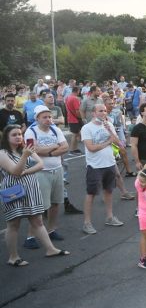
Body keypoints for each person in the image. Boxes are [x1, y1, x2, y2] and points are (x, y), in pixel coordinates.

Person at [1, 124, 70, 267]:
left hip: (31, 188)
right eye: (14, 135)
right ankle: (13, 257)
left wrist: (26, 171)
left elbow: (40, 164)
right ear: (6, 138)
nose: (19, 137)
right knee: (13, 224)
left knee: (37, 221)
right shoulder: (3, 153)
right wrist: (25, 157)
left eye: (20, 134)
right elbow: (14, 171)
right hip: (14, 190)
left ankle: (50, 249)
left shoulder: (25, 149)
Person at [23, 105, 69, 247]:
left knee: (55, 203)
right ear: (37, 118)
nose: (48, 119)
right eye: (45, 117)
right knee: (40, 206)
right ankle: (30, 236)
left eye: (49, 117)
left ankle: (51, 229)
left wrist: (47, 152)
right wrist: (54, 148)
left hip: (57, 169)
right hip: (40, 172)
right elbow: (33, 150)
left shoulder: (55, 129)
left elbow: (65, 147)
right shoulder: (31, 131)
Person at [80, 104, 124, 234]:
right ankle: (87, 223)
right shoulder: (87, 128)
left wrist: (110, 132)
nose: (103, 113)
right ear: (93, 113)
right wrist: (107, 142)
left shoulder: (109, 125)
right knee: (91, 193)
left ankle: (110, 217)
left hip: (109, 163)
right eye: (100, 111)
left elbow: (119, 144)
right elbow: (91, 148)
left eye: (105, 111)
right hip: (95, 166)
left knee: (109, 191)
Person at [65, 86, 83, 153]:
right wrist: (81, 117)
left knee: (76, 134)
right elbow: (77, 111)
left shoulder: (68, 97)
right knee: (75, 135)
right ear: (78, 91)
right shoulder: (75, 98)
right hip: (75, 119)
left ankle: (75, 148)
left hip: (70, 117)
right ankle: (72, 149)